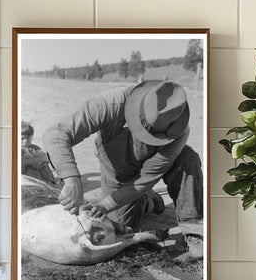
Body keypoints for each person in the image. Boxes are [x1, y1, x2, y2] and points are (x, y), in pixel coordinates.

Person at [43, 80, 203, 230]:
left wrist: (104, 205)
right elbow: (56, 134)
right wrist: (72, 181)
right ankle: (148, 201)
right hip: (117, 169)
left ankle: (193, 228)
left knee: (188, 158)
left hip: (152, 170)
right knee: (119, 223)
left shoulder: (179, 130)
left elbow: (144, 179)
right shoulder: (110, 104)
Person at [21, 121, 56, 186]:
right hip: (23, 179)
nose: (25, 141)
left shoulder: (35, 149)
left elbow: (43, 162)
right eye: (22, 138)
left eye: (28, 138)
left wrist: (31, 161)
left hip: (36, 178)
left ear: (32, 136)